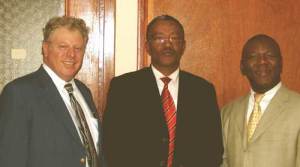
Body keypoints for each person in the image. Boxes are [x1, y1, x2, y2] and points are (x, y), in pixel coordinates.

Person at [103, 15, 223, 167]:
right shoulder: (124, 88)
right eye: (160, 38)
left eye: (174, 38)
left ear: (183, 46)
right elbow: (112, 146)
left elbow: (213, 149)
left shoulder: (203, 91)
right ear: (147, 46)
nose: (167, 45)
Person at [0, 16, 105, 167]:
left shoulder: (84, 92)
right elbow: (10, 159)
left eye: (78, 48)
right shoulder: (19, 93)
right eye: (63, 47)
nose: (71, 54)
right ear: (45, 48)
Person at [221, 34, 300, 167]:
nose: (262, 61)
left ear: (281, 63)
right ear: (242, 67)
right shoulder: (228, 112)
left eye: (270, 56)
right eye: (253, 56)